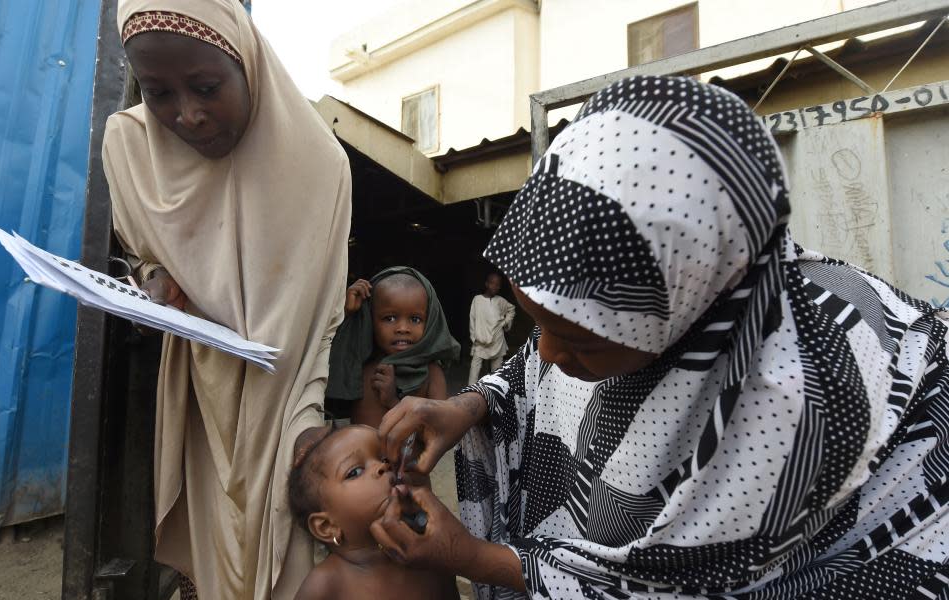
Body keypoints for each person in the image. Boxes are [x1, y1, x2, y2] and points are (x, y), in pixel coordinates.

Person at [369, 76, 949, 599]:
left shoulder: (799, 402)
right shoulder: (676, 304)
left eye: (581, 341)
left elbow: (675, 588)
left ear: (692, 312)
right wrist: (470, 406)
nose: (545, 352)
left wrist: (474, 558)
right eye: (536, 321)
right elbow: (531, 372)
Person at [103, 1, 351, 598]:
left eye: (208, 86)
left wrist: (307, 421)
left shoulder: (319, 168)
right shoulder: (130, 151)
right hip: (198, 404)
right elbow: (144, 255)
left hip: (282, 403)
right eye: (158, 92)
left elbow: (318, 320)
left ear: (250, 65)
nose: (187, 114)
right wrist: (152, 276)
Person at [287, 424, 459, 600]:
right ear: (326, 526)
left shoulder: (432, 559)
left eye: (385, 458)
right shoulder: (325, 586)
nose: (383, 467)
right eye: (355, 472)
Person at [326, 267, 459, 428]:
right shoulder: (358, 363)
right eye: (389, 318)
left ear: (430, 322)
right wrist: (347, 314)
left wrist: (392, 401)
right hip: (357, 453)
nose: (402, 328)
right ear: (370, 319)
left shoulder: (431, 374)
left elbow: (438, 432)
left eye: (415, 319)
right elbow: (327, 360)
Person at [468, 272, 516, 384]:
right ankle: (468, 392)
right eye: (492, 283)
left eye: (498, 285)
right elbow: (472, 319)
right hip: (480, 342)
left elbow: (511, 309)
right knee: (474, 371)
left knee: (496, 374)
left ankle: (494, 394)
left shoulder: (500, 301)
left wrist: (505, 322)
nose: (495, 287)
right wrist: (474, 338)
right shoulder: (477, 300)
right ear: (486, 284)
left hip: (497, 342)